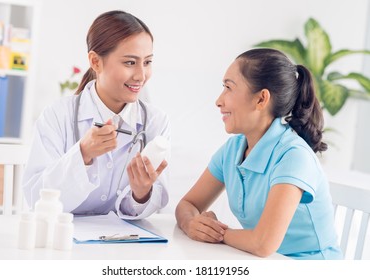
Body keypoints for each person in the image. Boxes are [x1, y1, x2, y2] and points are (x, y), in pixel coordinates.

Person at [175, 48, 343, 260]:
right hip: (264, 265)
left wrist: (217, 232)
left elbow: (263, 244)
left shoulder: (293, 156)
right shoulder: (232, 150)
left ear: (261, 99)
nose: (219, 100)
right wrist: (191, 223)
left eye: (228, 88)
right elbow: (188, 204)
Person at [23, 10, 170, 219]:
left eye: (147, 62)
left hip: (124, 246)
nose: (141, 75)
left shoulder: (155, 122)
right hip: (63, 238)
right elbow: (36, 197)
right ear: (95, 62)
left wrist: (141, 194)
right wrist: (82, 154)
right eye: (130, 62)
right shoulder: (57, 116)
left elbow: (152, 204)